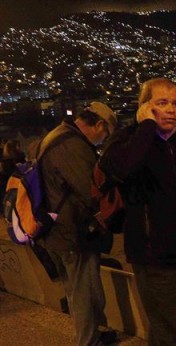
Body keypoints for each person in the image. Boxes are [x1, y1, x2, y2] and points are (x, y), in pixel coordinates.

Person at [100, 77, 176, 346]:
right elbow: (124, 168)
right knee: (173, 332)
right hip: (152, 253)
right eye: (162, 103)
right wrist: (146, 126)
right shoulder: (126, 141)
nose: (172, 109)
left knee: (170, 326)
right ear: (144, 108)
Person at [39, 102, 118, 346]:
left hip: (54, 230)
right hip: (71, 233)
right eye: (104, 135)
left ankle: (93, 333)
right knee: (83, 294)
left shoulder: (56, 135)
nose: (102, 141)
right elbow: (89, 191)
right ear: (99, 125)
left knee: (78, 291)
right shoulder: (72, 146)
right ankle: (88, 341)